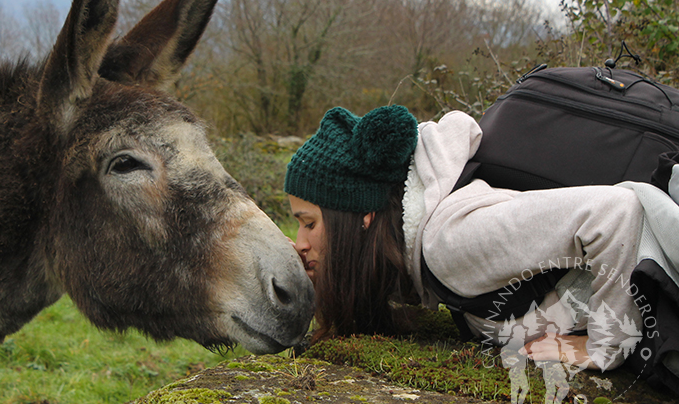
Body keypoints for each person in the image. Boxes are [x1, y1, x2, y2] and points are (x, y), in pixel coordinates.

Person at [284, 105, 679, 373]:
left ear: (364, 217)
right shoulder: (420, 245)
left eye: (309, 223)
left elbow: (616, 213)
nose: (300, 241)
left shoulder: (449, 243)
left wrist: (603, 347)